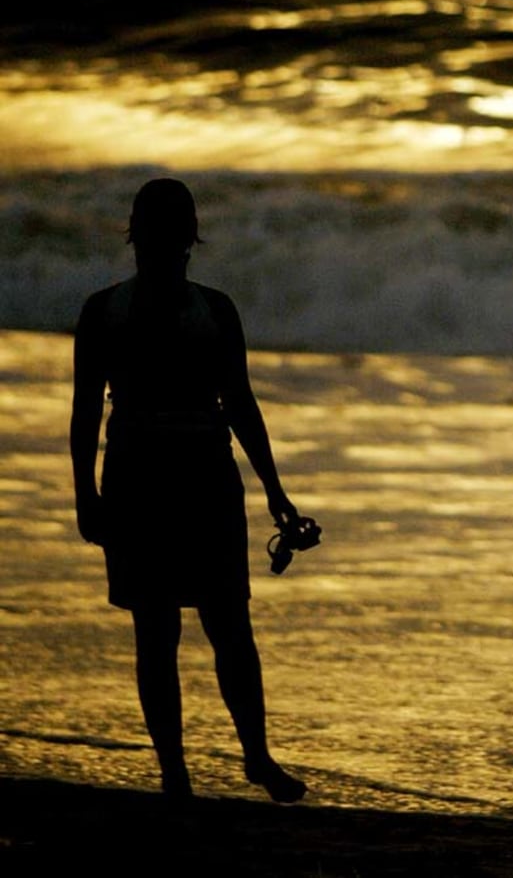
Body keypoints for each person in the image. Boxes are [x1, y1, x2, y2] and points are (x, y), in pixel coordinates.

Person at [70, 177, 316, 803]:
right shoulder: (106, 312)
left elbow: (240, 403)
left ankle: (248, 760)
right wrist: (84, 497)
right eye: (156, 234)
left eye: (168, 236)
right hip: (147, 479)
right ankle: (178, 772)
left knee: (222, 624)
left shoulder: (209, 310)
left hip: (197, 476)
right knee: (169, 630)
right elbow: (82, 414)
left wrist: (275, 490)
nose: (161, 247)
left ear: (183, 241)